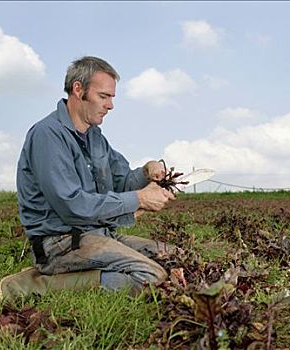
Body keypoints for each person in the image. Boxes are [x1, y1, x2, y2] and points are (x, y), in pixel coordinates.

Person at [14, 56, 176, 296]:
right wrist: (140, 200)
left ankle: (95, 276)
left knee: (172, 256)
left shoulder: (95, 137)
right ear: (78, 90)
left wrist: (147, 171)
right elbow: (74, 205)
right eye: (103, 96)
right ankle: (35, 285)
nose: (110, 105)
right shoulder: (47, 135)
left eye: (111, 98)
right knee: (152, 276)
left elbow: (122, 183)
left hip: (97, 235)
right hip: (60, 244)